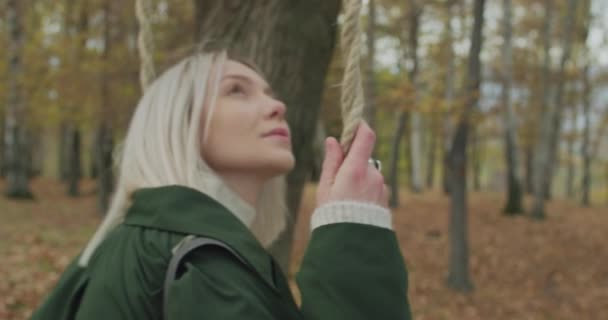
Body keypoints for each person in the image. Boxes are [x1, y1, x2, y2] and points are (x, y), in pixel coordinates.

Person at [31, 50, 412, 319]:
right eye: (236, 90)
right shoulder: (196, 263)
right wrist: (352, 228)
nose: (276, 105)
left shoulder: (146, 244)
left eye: (269, 93)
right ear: (179, 122)